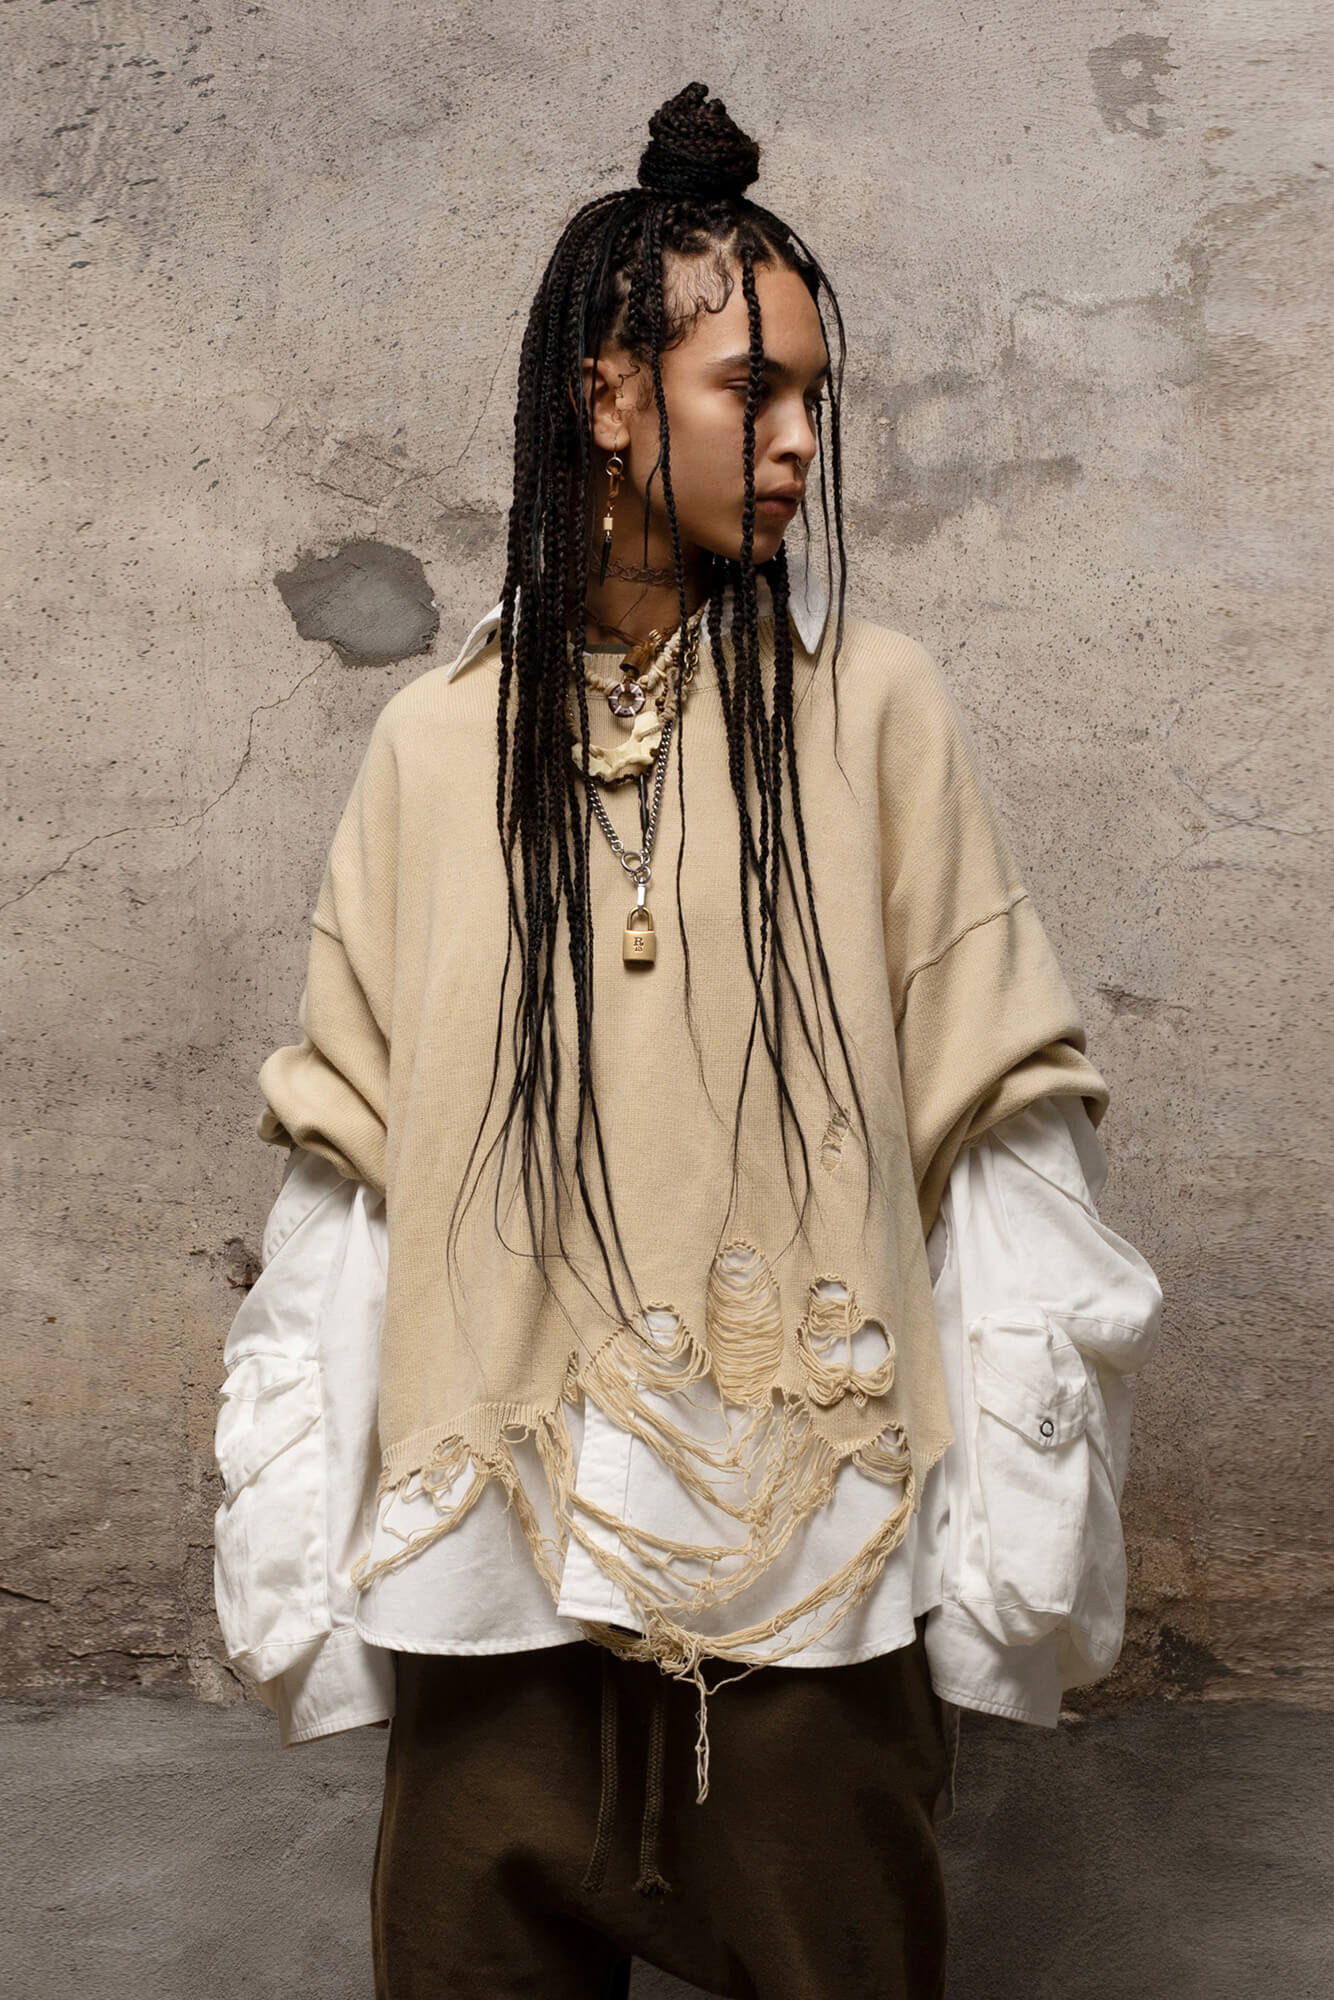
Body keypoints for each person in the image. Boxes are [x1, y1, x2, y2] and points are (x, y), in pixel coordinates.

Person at [213, 82, 1163, 2000]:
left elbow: (999, 1138)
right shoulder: (433, 747)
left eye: (817, 396)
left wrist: (1008, 1582)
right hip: (492, 1578)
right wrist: (305, 1583)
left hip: (808, 1584)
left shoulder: (873, 708)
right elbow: (348, 1174)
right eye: (755, 389)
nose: (802, 439)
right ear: (608, 395)